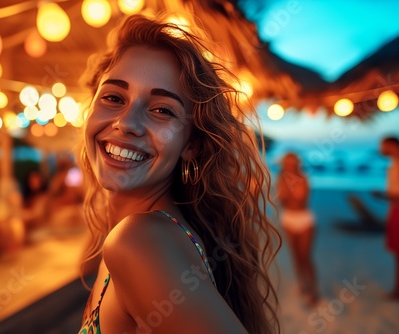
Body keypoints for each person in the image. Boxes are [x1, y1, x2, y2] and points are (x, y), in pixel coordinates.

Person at [76, 14, 280, 334]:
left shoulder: (138, 242)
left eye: (162, 110)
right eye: (114, 97)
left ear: (192, 145)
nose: (127, 123)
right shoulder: (157, 234)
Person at [275, 152, 319, 306]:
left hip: (304, 219)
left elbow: (300, 199)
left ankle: (314, 290)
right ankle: (302, 284)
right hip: (288, 219)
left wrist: (288, 191)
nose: (290, 166)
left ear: (297, 164)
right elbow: (283, 201)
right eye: (287, 163)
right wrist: (286, 191)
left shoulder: (303, 178)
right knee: (295, 256)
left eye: (292, 163)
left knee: (305, 257)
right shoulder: (281, 179)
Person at [377, 137, 399, 300]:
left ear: (392, 145)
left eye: (383, 146)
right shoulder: (393, 165)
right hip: (393, 210)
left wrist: (383, 195)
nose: (380, 149)